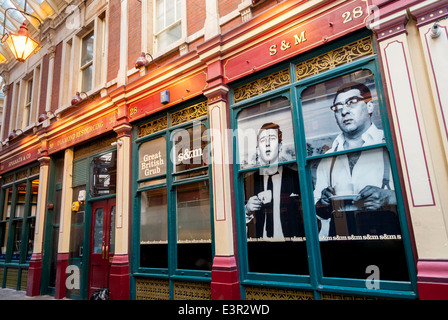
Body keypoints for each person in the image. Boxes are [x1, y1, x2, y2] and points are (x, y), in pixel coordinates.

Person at [313, 82, 400, 238]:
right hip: (342, 240)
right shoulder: (328, 158)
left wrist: (390, 197)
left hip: (388, 241)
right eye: (338, 107)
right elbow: (317, 211)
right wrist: (323, 203)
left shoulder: (391, 143)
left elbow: (422, 194)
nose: (344, 111)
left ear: (370, 107)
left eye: (351, 103)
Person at [244, 122, 304, 239]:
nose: (267, 144)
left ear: (280, 146)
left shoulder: (296, 177)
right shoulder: (248, 182)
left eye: (271, 139)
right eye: (262, 140)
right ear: (257, 149)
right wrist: (246, 210)